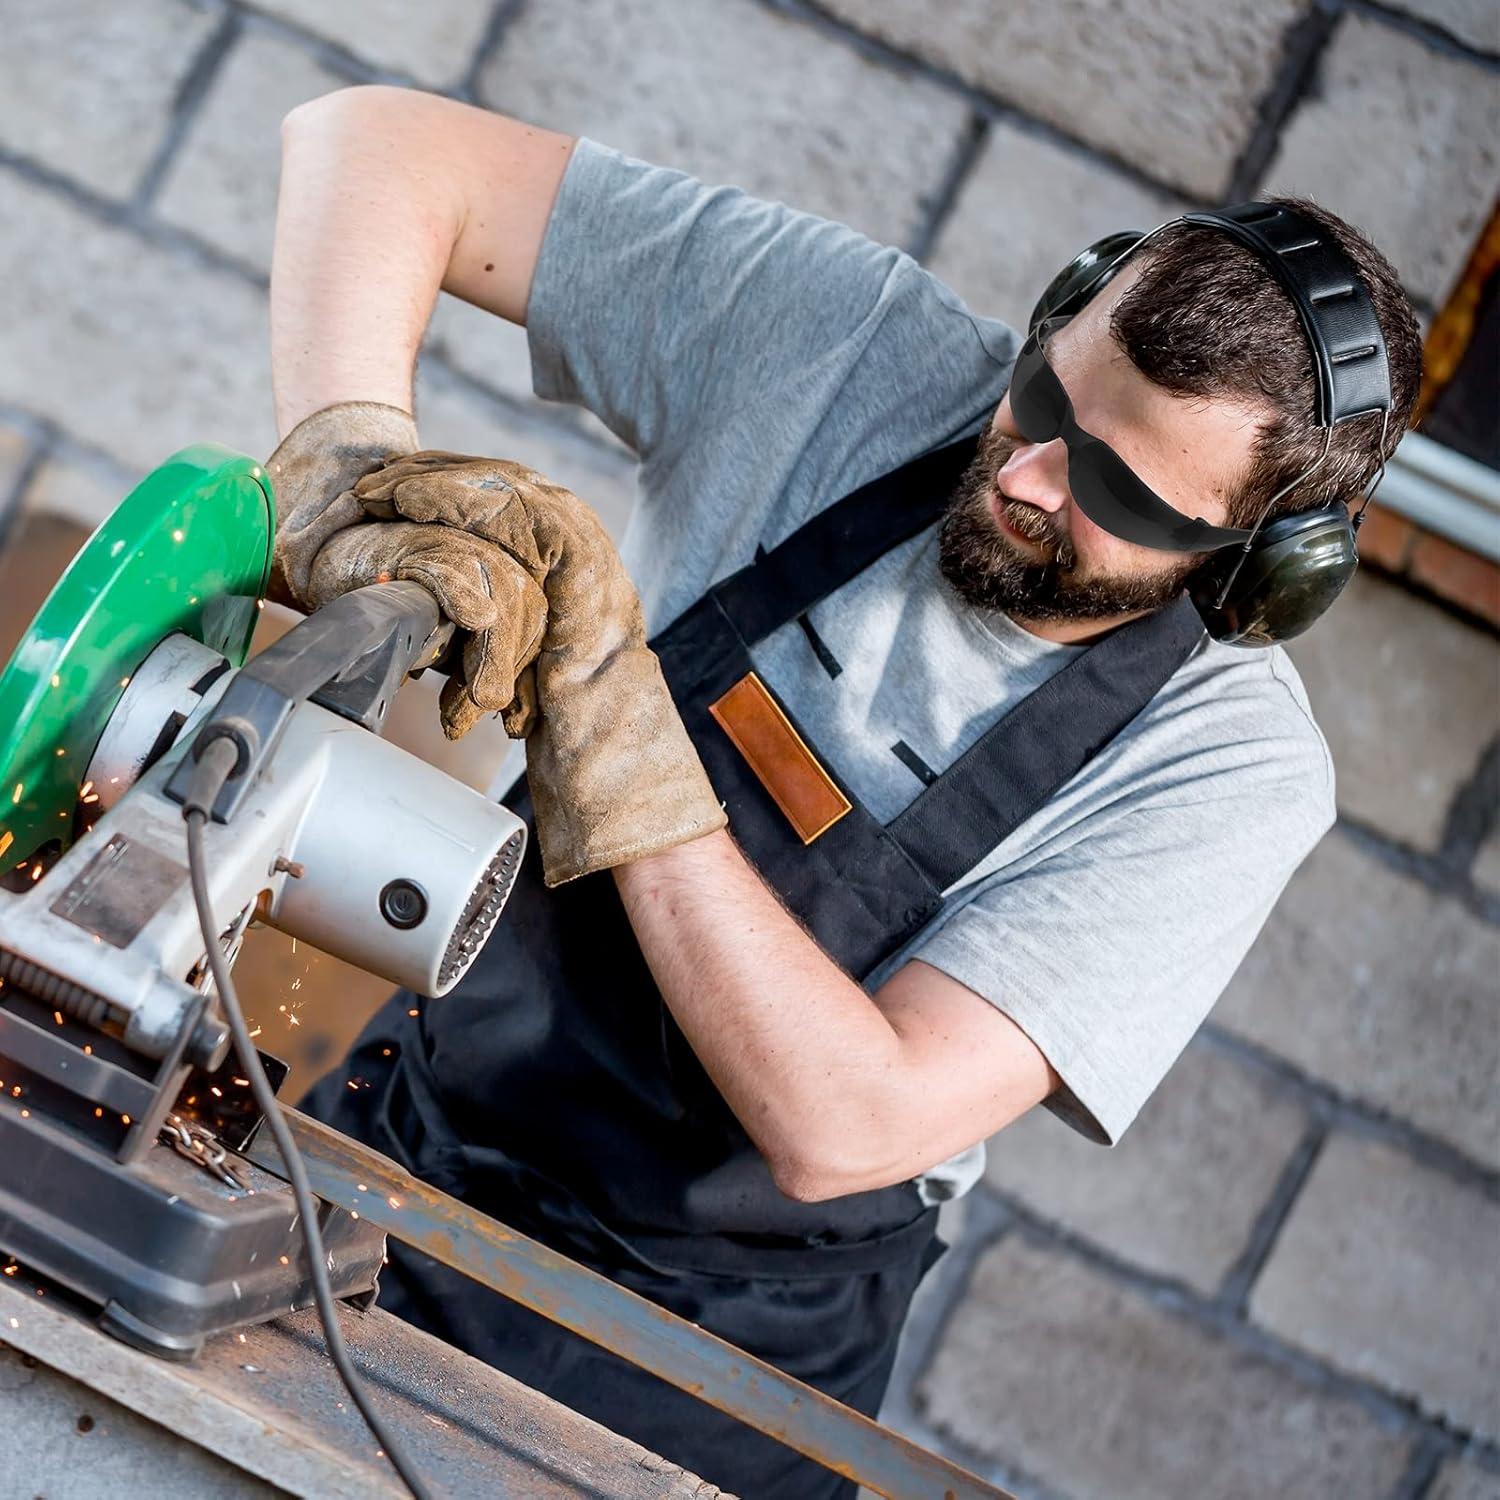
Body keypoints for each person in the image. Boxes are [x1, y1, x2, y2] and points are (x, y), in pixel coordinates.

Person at [268, 85, 1421, 1496]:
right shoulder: (853, 349)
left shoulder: (1226, 768)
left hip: (698, 1374)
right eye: (1049, 397)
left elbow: (845, 1123)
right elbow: (374, 145)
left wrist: (614, 712)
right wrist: (347, 465)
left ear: (1254, 566)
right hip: (415, 1157)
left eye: (1121, 494)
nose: (1034, 475)